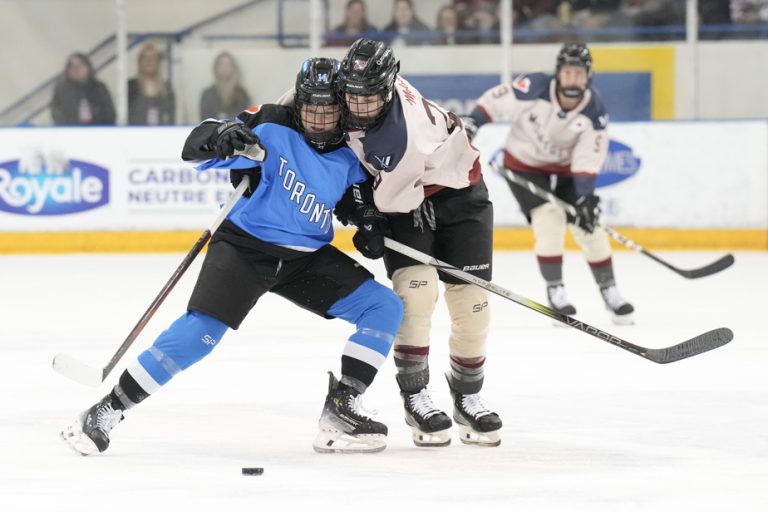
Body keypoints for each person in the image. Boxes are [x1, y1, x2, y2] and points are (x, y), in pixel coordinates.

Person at [60, 58, 403, 456]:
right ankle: (107, 410)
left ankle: (342, 409)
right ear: (299, 103)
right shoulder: (272, 124)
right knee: (199, 336)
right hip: (245, 247)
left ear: (343, 108)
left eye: (329, 111)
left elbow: (354, 201)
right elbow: (195, 148)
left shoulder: (352, 147)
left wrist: (371, 223)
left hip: (304, 258)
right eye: (311, 109)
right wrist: (222, 134)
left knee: (383, 307)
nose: (319, 120)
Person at [335, 39, 502, 448]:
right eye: (352, 94)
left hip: (457, 190)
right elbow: (292, 105)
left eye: (370, 97)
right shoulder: (351, 89)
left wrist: (364, 216)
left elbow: (391, 201)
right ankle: (416, 396)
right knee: (416, 290)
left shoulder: (400, 135)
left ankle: (467, 396)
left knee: (472, 304)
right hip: (409, 187)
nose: (358, 105)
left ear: (389, 86)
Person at [464, 42, 634, 324]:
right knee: (549, 220)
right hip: (524, 166)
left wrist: (585, 197)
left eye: (579, 74)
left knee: (590, 226)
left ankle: (610, 291)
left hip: (567, 170)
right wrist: (475, 121)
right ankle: (556, 291)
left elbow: (587, 157)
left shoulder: (594, 110)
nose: (573, 79)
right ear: (558, 73)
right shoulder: (535, 87)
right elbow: (497, 100)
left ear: (588, 76)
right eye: (568, 73)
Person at [50, 53, 115, 126]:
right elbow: (56, 112)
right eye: (71, 66)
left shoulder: (99, 88)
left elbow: (109, 113)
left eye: (80, 66)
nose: (76, 69)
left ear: (88, 67)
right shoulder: (61, 89)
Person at [128, 43, 176, 125]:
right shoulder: (131, 86)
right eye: (145, 58)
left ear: (158, 62)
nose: (149, 61)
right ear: (139, 62)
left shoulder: (167, 89)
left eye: (153, 58)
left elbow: (171, 117)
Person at [199, 51, 252, 120]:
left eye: (228, 64)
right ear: (215, 68)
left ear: (233, 68)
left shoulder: (242, 94)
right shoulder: (207, 94)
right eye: (221, 64)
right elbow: (205, 119)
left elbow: (244, 119)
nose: (224, 68)